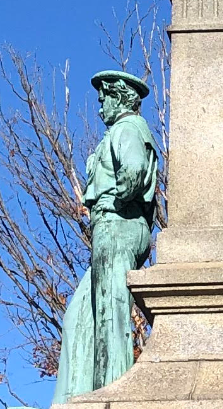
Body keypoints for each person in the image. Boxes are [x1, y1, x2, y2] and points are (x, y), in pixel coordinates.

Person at [52, 70, 159, 403]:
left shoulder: (126, 128)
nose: (100, 109)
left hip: (117, 228)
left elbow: (135, 170)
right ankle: (77, 397)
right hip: (110, 230)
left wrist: (115, 201)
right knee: (79, 319)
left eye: (103, 101)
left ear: (119, 98)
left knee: (109, 317)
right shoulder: (120, 131)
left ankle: (111, 396)